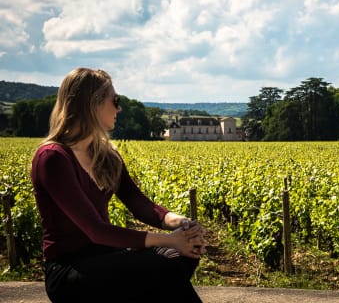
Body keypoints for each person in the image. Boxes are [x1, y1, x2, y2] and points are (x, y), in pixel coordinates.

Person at [30, 67, 207, 303]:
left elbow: (138, 203)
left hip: (107, 258)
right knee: (164, 266)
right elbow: (96, 230)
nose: (119, 108)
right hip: (70, 269)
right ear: (93, 103)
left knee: (185, 253)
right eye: (115, 100)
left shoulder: (106, 156)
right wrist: (169, 239)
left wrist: (181, 224)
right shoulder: (53, 158)